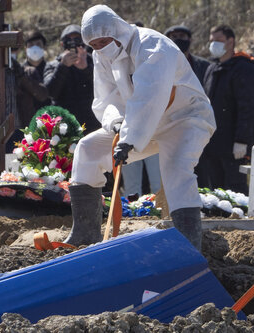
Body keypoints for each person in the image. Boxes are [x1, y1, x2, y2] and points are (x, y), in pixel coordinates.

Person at [66, 5, 216, 250]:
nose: (100, 48)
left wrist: (129, 138)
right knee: (88, 150)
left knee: (176, 169)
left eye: (104, 41)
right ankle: (85, 235)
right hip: (138, 125)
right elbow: (105, 98)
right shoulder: (101, 54)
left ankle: (189, 245)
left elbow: (150, 96)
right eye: (94, 45)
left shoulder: (153, 46)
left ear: (117, 30)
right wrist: (115, 123)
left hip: (184, 118)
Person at [198, 25, 254, 194]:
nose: (213, 45)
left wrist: (242, 140)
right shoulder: (212, 68)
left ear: (230, 42)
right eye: (212, 41)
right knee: (217, 191)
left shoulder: (243, 67)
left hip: (233, 145)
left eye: (218, 41)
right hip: (213, 142)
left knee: (236, 190)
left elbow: (247, 106)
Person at [43, 24, 99, 134]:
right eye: (69, 40)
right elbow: (50, 92)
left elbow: (104, 87)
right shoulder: (53, 65)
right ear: (62, 44)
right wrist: (63, 67)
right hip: (64, 127)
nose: (73, 43)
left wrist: (86, 69)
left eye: (77, 39)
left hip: (92, 124)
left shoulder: (95, 61)